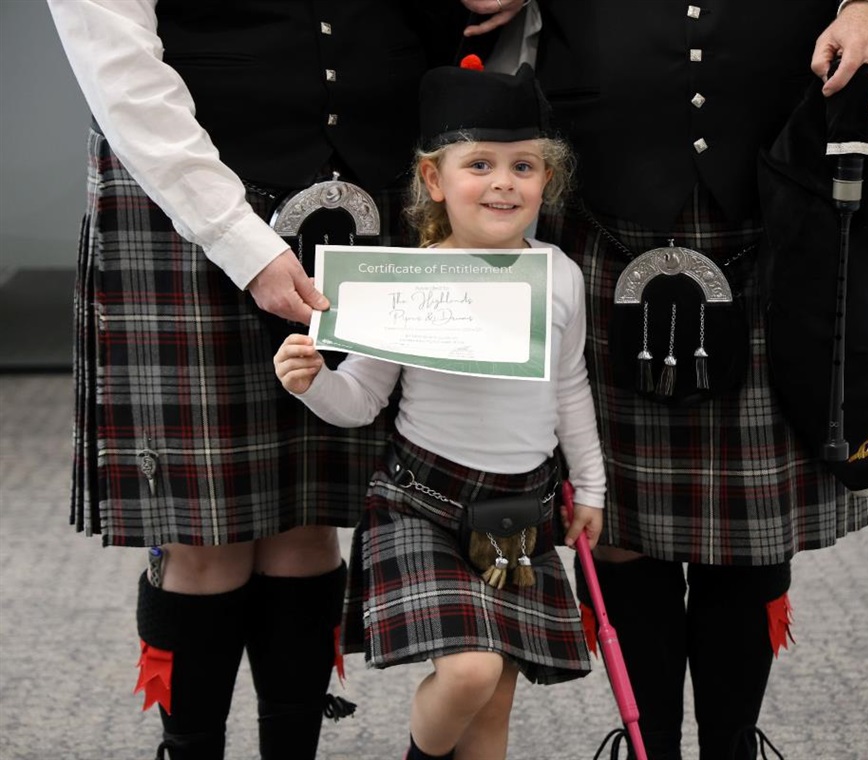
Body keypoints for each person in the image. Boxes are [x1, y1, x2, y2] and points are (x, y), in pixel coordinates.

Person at [45, 1, 530, 758]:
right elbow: (122, 72)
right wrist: (240, 242)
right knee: (204, 534)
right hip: (188, 204)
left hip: (361, 187)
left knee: (310, 521)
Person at [531, 1, 868, 758]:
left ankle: (729, 747)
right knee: (618, 522)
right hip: (602, 211)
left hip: (774, 215)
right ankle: (647, 747)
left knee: (751, 537)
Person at [272, 58, 605, 760]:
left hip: (519, 507)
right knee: (470, 669)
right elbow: (360, 400)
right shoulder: (403, 281)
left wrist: (594, 486)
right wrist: (311, 383)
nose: (504, 182)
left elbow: (570, 385)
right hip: (422, 502)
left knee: (495, 699)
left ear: (548, 179)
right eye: (479, 164)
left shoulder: (562, 277)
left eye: (524, 166)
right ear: (434, 180)